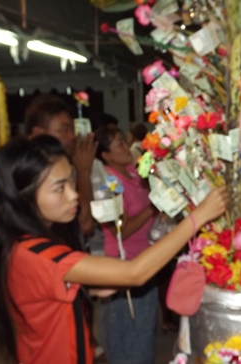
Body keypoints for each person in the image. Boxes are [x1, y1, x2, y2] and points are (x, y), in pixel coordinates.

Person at [0, 135, 228, 364]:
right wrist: (199, 217)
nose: (74, 195)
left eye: (71, 180)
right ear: (24, 196)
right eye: (59, 188)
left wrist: (92, 285)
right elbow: (135, 273)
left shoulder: (26, 243)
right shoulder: (36, 254)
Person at [94, 127, 158, 364]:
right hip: (126, 262)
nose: (126, 148)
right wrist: (153, 207)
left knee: (143, 328)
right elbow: (121, 229)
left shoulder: (132, 172)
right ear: (106, 156)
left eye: (124, 141)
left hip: (144, 258)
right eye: (119, 144)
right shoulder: (109, 184)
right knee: (129, 332)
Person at [24, 95, 97, 235]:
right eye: (64, 130)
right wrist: (83, 171)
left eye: (71, 130)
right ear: (39, 133)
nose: (72, 137)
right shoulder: (31, 170)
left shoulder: (67, 161)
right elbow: (85, 224)